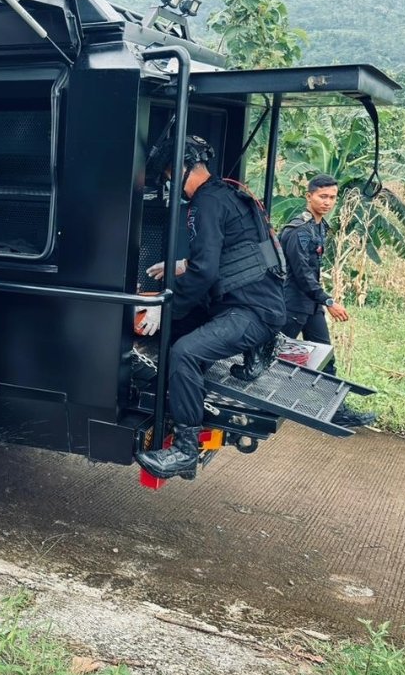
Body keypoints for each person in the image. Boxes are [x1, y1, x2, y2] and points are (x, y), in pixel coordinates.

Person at [136, 136, 287, 480]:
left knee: (185, 352)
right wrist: (180, 265)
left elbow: (206, 272)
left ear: (185, 169)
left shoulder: (204, 203)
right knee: (189, 326)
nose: (172, 182)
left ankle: (185, 449)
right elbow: (232, 252)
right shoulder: (231, 194)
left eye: (172, 174)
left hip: (250, 312)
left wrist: (164, 308)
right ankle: (251, 350)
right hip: (259, 302)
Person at [279, 174, 376, 428]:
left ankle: (335, 411)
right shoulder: (299, 230)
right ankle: (261, 402)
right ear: (308, 196)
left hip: (310, 306)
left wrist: (322, 301)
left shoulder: (320, 227)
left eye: (332, 197)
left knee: (325, 357)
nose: (328, 202)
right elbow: (301, 275)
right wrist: (329, 301)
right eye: (323, 196)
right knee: (273, 355)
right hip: (291, 304)